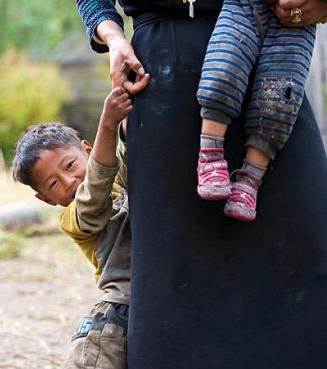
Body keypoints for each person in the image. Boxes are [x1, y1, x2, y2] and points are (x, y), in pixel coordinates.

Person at [76, 0, 327, 368]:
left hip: (270, 65)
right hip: (160, 74)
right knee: (175, 290)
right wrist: (112, 37)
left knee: (309, 252)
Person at [12, 86, 141, 369]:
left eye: (70, 165)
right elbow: (93, 197)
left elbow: (134, 155)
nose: (69, 181)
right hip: (117, 318)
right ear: (45, 199)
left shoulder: (120, 182)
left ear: (88, 151)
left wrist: (128, 118)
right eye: (53, 184)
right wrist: (108, 123)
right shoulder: (72, 218)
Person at [195, 1, 316, 222]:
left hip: (297, 23)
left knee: (279, 100)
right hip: (242, 5)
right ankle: (210, 156)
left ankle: (250, 179)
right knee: (223, 69)